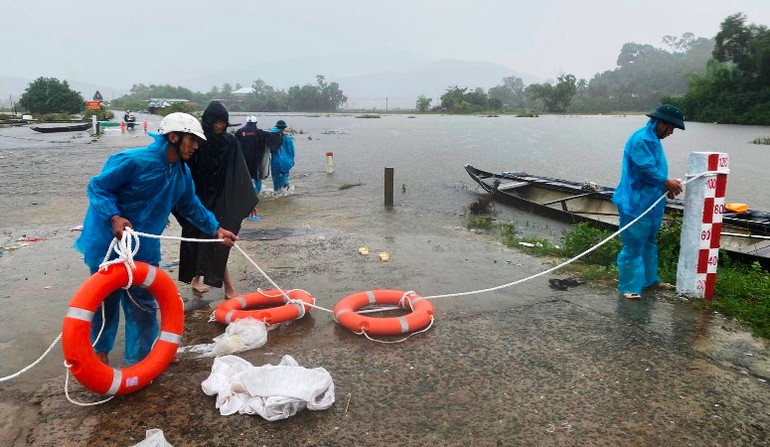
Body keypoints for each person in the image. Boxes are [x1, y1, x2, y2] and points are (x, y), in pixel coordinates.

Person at [74, 112, 238, 365]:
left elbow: (190, 205)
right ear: (173, 137)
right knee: (106, 300)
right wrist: (114, 216)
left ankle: (141, 358)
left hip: (144, 246)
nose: (195, 147)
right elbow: (98, 187)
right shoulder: (132, 161)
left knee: (144, 301)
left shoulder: (181, 173)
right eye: (192, 140)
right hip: (108, 241)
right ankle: (99, 352)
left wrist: (216, 230)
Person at [174, 101, 257, 297]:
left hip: (220, 198)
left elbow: (240, 170)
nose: (219, 126)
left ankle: (228, 286)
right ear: (208, 121)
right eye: (216, 122)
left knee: (219, 243)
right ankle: (196, 279)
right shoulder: (197, 140)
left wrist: (249, 199)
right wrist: (172, 202)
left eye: (223, 122)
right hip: (197, 198)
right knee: (195, 241)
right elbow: (182, 169)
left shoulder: (230, 142)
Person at [612, 104, 684, 299]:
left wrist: (665, 188)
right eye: (670, 128)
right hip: (635, 201)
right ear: (661, 123)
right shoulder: (642, 140)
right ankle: (630, 287)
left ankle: (649, 280)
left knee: (650, 241)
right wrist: (666, 182)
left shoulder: (654, 140)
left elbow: (655, 170)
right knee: (634, 243)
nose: (671, 132)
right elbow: (645, 169)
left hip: (652, 202)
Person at [235, 116, 272, 195]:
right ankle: (256, 194)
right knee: (257, 177)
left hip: (243, 160)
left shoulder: (239, 132)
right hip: (256, 160)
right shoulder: (260, 132)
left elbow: (234, 145)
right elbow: (270, 138)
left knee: (245, 177)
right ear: (256, 123)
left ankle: (245, 194)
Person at [270, 119, 295, 192]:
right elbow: (292, 150)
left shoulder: (272, 137)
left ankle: (277, 193)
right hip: (286, 161)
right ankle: (285, 192)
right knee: (284, 176)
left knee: (275, 179)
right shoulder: (288, 138)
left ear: (277, 127)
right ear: (284, 127)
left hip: (275, 161)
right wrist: (292, 159)